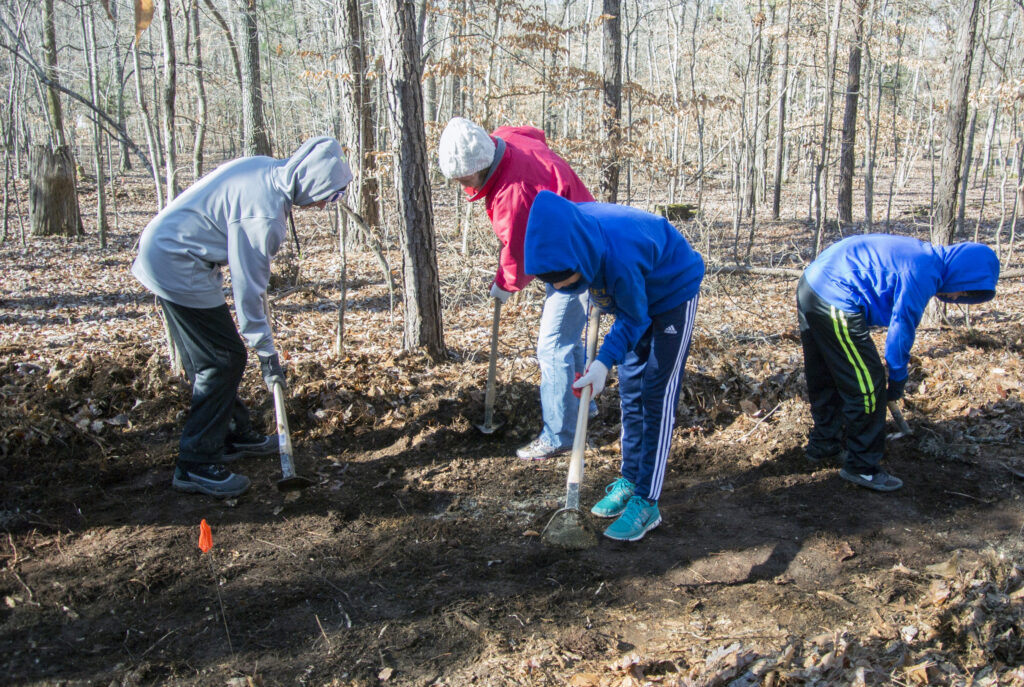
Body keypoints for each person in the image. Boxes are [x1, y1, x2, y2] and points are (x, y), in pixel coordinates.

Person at [132, 137, 352, 498]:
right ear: (313, 184)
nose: (326, 206)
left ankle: (233, 435)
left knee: (214, 357)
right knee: (221, 359)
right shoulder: (265, 216)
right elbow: (249, 291)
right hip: (176, 260)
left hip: (172, 251)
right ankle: (196, 464)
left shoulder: (269, 170)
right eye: (330, 196)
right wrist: (267, 354)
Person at [524, 191, 705, 542]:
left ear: (582, 263)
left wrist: (603, 361)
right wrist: (605, 363)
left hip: (672, 291)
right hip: (636, 289)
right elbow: (621, 306)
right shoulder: (566, 235)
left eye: (573, 284)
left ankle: (647, 500)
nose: (569, 289)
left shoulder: (617, 258)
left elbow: (634, 317)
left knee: (656, 392)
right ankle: (631, 477)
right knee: (631, 388)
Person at [437, 117, 597, 460]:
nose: (462, 184)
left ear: (482, 164)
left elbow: (520, 252)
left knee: (553, 347)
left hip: (577, 256)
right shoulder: (503, 139)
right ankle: (582, 407)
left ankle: (560, 434)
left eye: (465, 177)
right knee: (568, 341)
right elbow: (533, 132)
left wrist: (504, 285)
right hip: (576, 234)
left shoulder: (513, 193)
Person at [798, 234, 999, 492]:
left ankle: (824, 445)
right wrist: (897, 377)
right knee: (867, 386)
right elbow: (902, 327)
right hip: (834, 294)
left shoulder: (924, 258)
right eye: (965, 288)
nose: (959, 295)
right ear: (964, 270)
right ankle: (862, 467)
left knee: (826, 375)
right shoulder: (925, 269)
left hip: (812, 283)